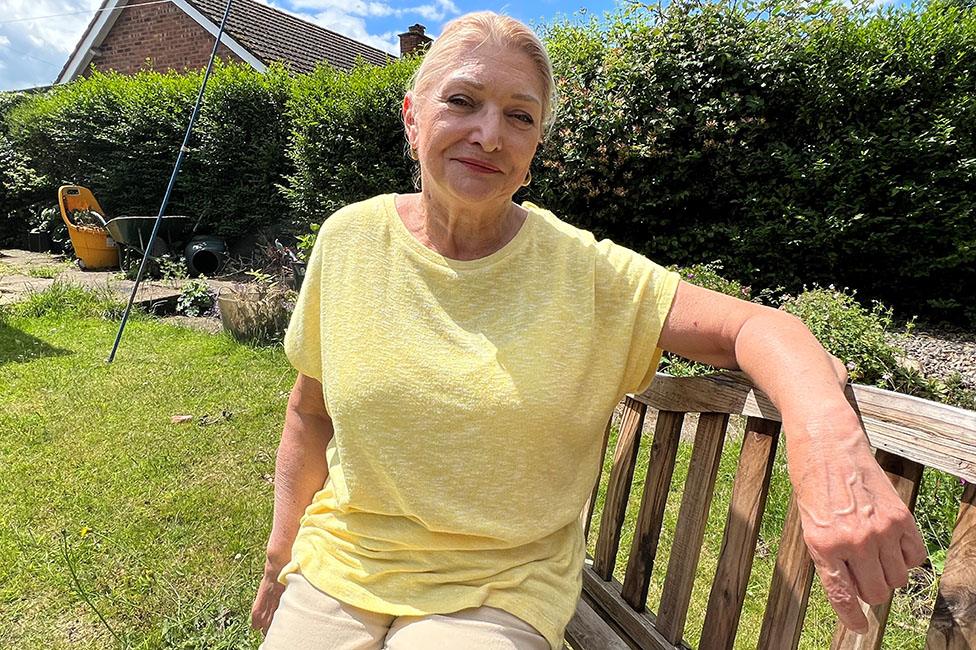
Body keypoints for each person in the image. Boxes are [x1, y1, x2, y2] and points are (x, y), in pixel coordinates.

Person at [251, 11, 927, 650]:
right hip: (342, 560)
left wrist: (823, 444)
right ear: (411, 118)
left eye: (520, 116)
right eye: (462, 101)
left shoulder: (588, 274)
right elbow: (309, 411)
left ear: (535, 146)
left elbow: (755, 325)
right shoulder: (350, 241)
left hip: (498, 587)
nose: (490, 134)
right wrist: (281, 557)